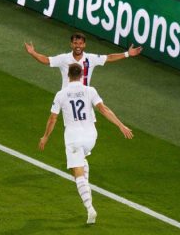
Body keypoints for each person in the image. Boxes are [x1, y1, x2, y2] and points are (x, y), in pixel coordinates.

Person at [38, 63, 133, 224]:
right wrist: (121, 125)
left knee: (78, 174)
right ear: (82, 75)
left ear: (68, 76)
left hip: (74, 137)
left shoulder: (61, 94)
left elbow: (53, 118)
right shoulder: (90, 91)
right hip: (91, 137)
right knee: (80, 165)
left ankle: (90, 209)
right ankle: (86, 190)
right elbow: (103, 109)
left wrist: (45, 136)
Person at [25, 32, 143, 89]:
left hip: (85, 98)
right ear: (71, 44)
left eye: (80, 43)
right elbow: (46, 60)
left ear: (84, 45)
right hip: (68, 98)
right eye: (75, 43)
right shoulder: (64, 58)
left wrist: (128, 54)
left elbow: (109, 57)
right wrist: (33, 53)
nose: (78, 46)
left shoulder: (90, 58)